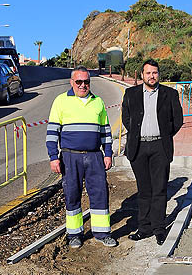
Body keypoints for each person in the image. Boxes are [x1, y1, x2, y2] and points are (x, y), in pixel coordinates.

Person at [46, 66, 117, 248]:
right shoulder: (60, 101)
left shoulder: (98, 102)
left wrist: (107, 154)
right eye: (79, 82)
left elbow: (105, 132)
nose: (83, 85)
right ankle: (75, 234)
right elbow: (53, 132)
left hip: (94, 156)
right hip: (70, 157)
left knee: (100, 193)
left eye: (86, 82)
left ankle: (102, 233)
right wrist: (54, 157)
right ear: (72, 82)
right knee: (72, 195)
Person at [121, 59, 183, 245]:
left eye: (154, 72)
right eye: (148, 73)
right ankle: (144, 227)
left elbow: (177, 120)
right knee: (144, 190)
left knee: (159, 189)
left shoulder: (169, 94)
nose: (152, 76)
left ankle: (159, 228)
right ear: (142, 75)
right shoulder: (130, 93)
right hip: (138, 147)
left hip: (159, 147)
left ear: (158, 74)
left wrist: (164, 133)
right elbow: (126, 117)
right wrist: (136, 132)